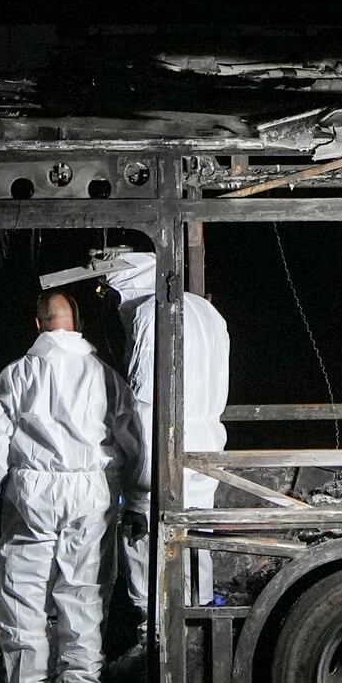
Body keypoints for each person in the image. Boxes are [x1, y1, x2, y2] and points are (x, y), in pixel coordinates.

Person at [0, 291, 146, 683]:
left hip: (34, 491)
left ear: (37, 322)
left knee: (22, 596)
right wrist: (138, 500)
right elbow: (132, 439)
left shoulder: (19, 373)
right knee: (83, 597)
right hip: (92, 490)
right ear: (76, 322)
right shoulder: (104, 376)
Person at [103, 252, 230, 632]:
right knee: (197, 527)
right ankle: (199, 613)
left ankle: (152, 626)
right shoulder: (207, 312)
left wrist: (138, 489)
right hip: (208, 433)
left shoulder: (150, 313)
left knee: (144, 532)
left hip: (168, 435)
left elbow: (145, 401)